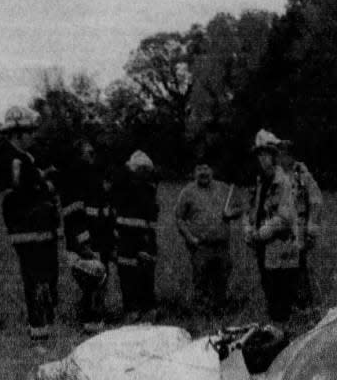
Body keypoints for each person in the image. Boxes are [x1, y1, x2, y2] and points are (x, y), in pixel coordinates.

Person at [0, 105, 60, 341]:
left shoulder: (23, 158)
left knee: (46, 277)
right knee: (35, 278)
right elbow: (18, 191)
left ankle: (45, 327)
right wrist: (43, 185)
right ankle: (39, 332)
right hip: (27, 228)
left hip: (39, 226)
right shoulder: (10, 158)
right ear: (17, 133)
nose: (33, 136)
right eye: (29, 131)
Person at [174, 160, 242, 321]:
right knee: (201, 282)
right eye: (199, 169)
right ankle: (202, 317)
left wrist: (231, 213)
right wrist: (190, 238)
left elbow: (239, 208)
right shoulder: (187, 192)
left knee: (221, 280)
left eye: (206, 167)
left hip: (221, 246)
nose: (203, 172)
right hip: (200, 247)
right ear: (194, 172)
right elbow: (179, 218)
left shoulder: (224, 189)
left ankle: (220, 313)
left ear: (212, 170)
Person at [244, 130, 299, 327]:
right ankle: (275, 329)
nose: (262, 159)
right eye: (259, 154)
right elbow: (252, 210)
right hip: (263, 248)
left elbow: (285, 217)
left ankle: (282, 332)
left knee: (280, 295)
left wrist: (263, 231)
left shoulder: (283, 181)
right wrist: (248, 229)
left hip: (280, 248)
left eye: (265, 154)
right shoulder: (260, 182)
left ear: (274, 156)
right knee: (269, 290)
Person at [60, 139, 111, 332]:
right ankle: (89, 322)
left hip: (100, 242)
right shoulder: (73, 182)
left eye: (93, 153)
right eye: (89, 153)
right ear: (79, 156)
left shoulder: (95, 181)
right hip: (83, 246)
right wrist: (85, 246)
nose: (93, 157)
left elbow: (105, 213)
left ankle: (95, 319)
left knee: (100, 284)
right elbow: (73, 219)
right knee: (92, 280)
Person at [113, 150, 159, 321]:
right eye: (142, 170)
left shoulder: (148, 192)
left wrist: (147, 245)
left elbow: (150, 223)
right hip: (127, 243)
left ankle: (146, 310)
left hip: (142, 242)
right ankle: (132, 311)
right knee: (128, 278)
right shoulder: (124, 190)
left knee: (145, 277)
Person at [277, 140, 322, 308]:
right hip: (278, 228)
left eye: (284, 154)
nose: (281, 158)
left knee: (298, 265)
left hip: (298, 226)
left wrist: (312, 227)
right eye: (279, 154)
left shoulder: (303, 175)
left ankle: (303, 304)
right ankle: (284, 303)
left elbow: (316, 200)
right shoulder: (275, 174)